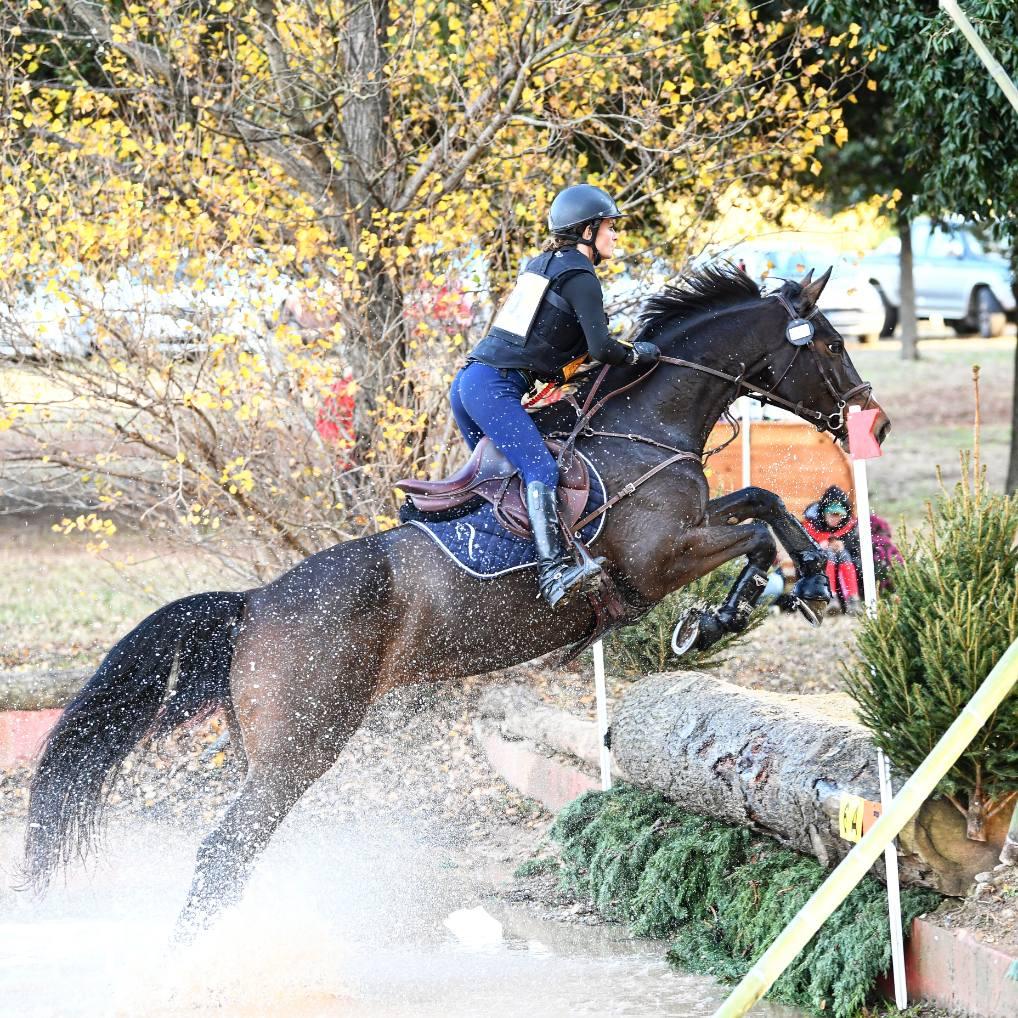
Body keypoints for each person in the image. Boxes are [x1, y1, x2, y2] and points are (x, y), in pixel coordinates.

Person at [449, 184, 661, 608]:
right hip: (494, 387)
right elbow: (602, 349)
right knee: (540, 470)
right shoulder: (581, 276)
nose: (615, 235)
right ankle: (552, 573)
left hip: (470, 385)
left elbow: (542, 341)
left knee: (506, 483)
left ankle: (506, 565)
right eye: (610, 226)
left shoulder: (542, 265)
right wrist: (638, 353)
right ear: (587, 230)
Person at [802, 486, 862, 613]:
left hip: (845, 561)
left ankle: (853, 599)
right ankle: (830, 597)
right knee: (829, 555)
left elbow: (854, 545)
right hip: (818, 561)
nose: (835, 519)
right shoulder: (812, 521)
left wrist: (843, 544)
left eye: (839, 515)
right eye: (832, 515)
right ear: (824, 513)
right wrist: (820, 543)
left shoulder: (849, 524)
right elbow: (804, 542)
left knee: (844, 554)